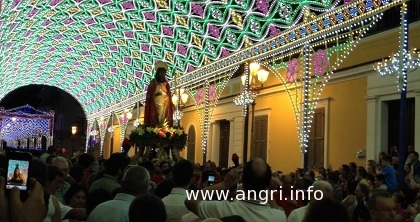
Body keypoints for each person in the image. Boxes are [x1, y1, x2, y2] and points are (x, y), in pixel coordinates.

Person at [144, 61, 174, 127]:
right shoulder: (153, 82)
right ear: (158, 73)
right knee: (157, 114)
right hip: (156, 102)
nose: (162, 75)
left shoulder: (166, 84)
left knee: (163, 115)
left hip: (164, 102)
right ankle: (157, 127)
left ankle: (162, 126)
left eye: (163, 73)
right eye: (161, 73)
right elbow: (150, 94)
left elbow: (168, 94)